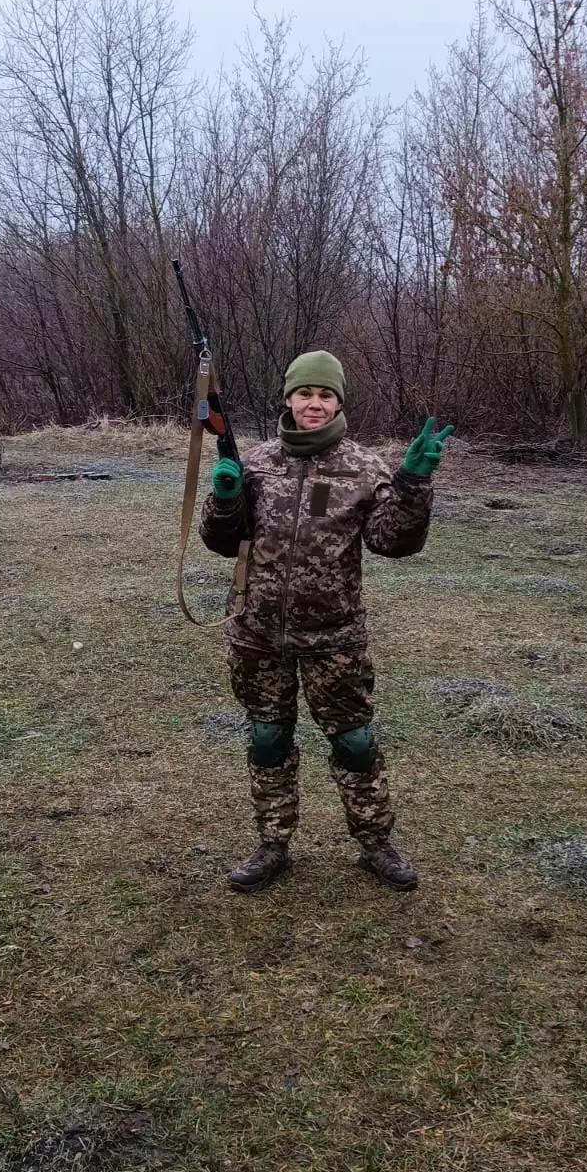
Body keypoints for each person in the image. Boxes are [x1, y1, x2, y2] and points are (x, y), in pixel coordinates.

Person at [198, 349, 453, 893]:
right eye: (305, 393)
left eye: (325, 395)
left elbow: (393, 542)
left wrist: (412, 483)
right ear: (288, 398)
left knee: (354, 742)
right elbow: (222, 541)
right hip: (257, 631)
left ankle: (376, 843)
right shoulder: (256, 463)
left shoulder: (363, 467)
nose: (314, 404)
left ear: (339, 402)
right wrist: (223, 498)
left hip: (334, 636)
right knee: (268, 737)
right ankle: (272, 845)